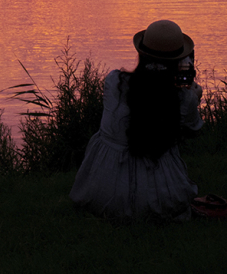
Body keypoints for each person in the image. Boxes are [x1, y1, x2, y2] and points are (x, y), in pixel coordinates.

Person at [70, 20, 203, 220]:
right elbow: (194, 130)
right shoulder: (183, 98)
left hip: (102, 191)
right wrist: (193, 96)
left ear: (141, 53)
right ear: (180, 61)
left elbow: (143, 94)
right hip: (158, 197)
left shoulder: (114, 82)